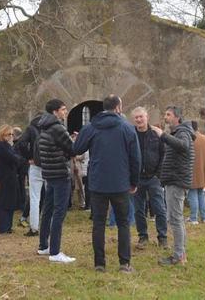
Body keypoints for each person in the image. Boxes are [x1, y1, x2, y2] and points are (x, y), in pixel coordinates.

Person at [73, 95, 141, 273]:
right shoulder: (127, 128)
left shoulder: (91, 127)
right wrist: (134, 181)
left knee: (98, 223)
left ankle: (99, 264)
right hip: (120, 182)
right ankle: (124, 263)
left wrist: (81, 136)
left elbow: (77, 148)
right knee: (123, 223)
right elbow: (136, 158)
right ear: (118, 107)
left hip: (98, 183)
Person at [36, 99, 76, 264]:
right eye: (63, 109)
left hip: (49, 173)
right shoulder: (58, 128)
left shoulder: (44, 127)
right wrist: (77, 140)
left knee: (47, 210)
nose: (65, 112)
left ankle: (43, 245)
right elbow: (72, 149)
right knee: (59, 212)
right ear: (55, 112)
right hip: (60, 174)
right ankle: (55, 251)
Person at [156, 106, 194, 266]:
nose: (165, 117)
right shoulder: (179, 132)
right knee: (175, 219)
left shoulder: (183, 132)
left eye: (168, 114)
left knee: (176, 219)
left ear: (177, 118)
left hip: (177, 182)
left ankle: (179, 256)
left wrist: (162, 135)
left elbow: (183, 146)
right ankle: (180, 253)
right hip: (174, 180)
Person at [127, 106, 166, 249]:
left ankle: (162, 237)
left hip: (153, 177)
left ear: (147, 117)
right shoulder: (131, 134)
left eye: (141, 117)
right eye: (136, 117)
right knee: (138, 210)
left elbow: (163, 154)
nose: (138, 120)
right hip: (137, 179)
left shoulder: (156, 134)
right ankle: (142, 237)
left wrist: (158, 175)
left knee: (159, 208)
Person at [16, 113, 45, 237]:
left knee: (34, 197)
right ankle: (49, 226)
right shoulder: (51, 127)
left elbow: (21, 143)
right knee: (51, 197)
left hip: (35, 164)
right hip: (49, 164)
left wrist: (29, 157)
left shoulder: (31, 128)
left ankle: (34, 227)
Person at [0, 125, 27, 234]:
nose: (10, 136)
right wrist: (20, 159)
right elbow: (12, 157)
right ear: (2, 134)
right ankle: (3, 227)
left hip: (11, 175)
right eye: (8, 134)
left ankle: (8, 226)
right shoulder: (0, 145)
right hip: (5, 176)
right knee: (5, 202)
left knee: (10, 202)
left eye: (11, 134)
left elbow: (15, 157)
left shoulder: (7, 145)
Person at [189, 126, 205, 223]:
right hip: (204, 171)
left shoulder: (190, 139)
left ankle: (193, 218)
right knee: (201, 193)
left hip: (192, 170)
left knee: (192, 193)